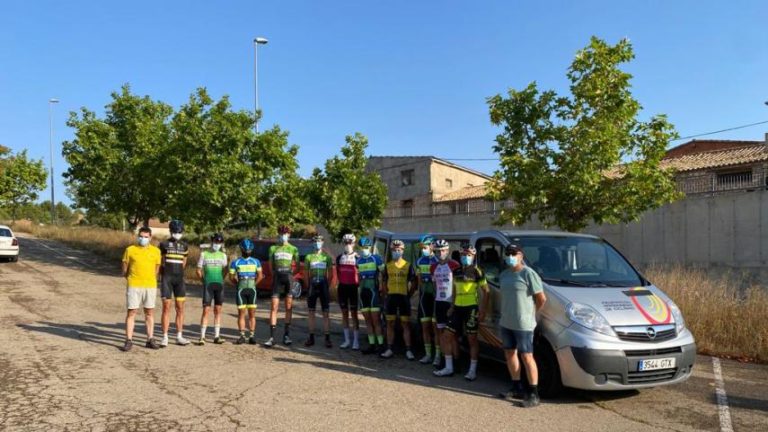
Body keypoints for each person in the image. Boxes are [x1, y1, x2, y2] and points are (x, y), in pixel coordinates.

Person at [498, 244, 547, 408]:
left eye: (513, 253)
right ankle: (516, 386)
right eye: (507, 253)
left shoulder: (528, 274)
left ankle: (534, 393)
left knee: (527, 356)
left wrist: (531, 315)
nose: (510, 256)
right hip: (506, 322)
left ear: (521, 255)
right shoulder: (504, 275)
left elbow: (541, 299)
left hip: (524, 324)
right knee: (510, 354)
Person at [442, 243, 489, 381]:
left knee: (472, 340)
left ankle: (472, 370)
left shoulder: (477, 271)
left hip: (471, 308)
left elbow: (486, 292)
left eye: (469, 255)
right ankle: (449, 367)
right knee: (447, 336)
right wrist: (451, 306)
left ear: (473, 256)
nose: (466, 257)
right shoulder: (456, 270)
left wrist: (482, 310)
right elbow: (455, 289)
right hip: (457, 307)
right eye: (463, 255)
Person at [121, 226, 162, 351]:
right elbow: (124, 267)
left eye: (146, 237)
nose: (143, 239)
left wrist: (152, 279)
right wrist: (129, 278)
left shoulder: (156, 251)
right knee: (131, 312)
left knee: (149, 313)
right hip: (134, 285)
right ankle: (129, 340)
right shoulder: (130, 250)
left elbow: (157, 268)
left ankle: (150, 339)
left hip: (150, 285)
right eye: (141, 236)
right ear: (138, 236)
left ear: (150, 237)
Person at [381, 240, 417, 359]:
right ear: (391, 251)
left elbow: (414, 282)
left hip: (403, 297)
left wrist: (409, 295)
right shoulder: (388, 265)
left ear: (403, 251)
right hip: (391, 297)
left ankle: (408, 350)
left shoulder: (408, 265)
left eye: (399, 250)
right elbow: (384, 281)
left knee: (405, 324)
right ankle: (389, 348)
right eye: (394, 250)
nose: (397, 252)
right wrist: (386, 295)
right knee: (390, 323)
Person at [265, 224, 300, 347]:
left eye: (285, 233)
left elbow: (298, 268)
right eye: (281, 233)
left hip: (288, 279)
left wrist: (291, 275)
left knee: (288, 307)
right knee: (274, 306)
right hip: (277, 279)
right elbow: (270, 266)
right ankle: (271, 337)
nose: (283, 236)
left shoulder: (294, 249)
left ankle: (286, 335)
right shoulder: (273, 248)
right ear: (278, 234)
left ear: (289, 235)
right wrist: (275, 274)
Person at [430, 239, 460, 374]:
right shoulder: (433, 266)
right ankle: (445, 359)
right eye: (438, 251)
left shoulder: (454, 265)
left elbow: (457, 287)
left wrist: (453, 305)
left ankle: (456, 361)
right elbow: (435, 285)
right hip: (439, 302)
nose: (441, 253)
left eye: (443, 250)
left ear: (447, 251)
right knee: (441, 334)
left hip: (450, 303)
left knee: (452, 335)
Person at [159, 219, 190, 347]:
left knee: (180, 308)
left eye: (180, 231)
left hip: (179, 280)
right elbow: (160, 262)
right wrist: (162, 276)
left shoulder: (185, 245)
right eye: (175, 231)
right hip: (167, 279)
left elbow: (184, 262)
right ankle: (165, 337)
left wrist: (179, 274)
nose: (178, 233)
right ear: (171, 231)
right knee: (166, 308)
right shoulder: (163, 244)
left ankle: (179, 336)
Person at [195, 233, 228, 345]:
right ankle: (202, 337)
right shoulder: (204, 254)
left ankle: (217, 336)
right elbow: (198, 270)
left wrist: (221, 279)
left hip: (219, 285)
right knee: (206, 311)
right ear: (212, 242)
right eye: (215, 242)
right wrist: (203, 281)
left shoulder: (223, 255)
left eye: (219, 242)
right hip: (208, 285)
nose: (217, 244)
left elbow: (225, 270)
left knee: (218, 311)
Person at [229, 239, 263, 345]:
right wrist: (238, 285)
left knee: (252, 314)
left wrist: (254, 285)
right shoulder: (236, 262)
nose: (247, 251)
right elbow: (231, 277)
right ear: (242, 249)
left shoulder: (256, 261)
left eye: (249, 250)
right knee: (241, 314)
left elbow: (260, 276)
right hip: (241, 290)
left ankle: (252, 336)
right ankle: (242, 336)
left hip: (251, 290)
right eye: (245, 249)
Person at [356, 236, 385, 354]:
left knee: (376, 320)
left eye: (366, 247)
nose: (364, 249)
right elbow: (358, 277)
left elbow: (384, 274)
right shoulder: (358, 261)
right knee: (367, 320)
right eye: (362, 247)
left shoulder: (376, 258)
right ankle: (372, 344)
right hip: (363, 293)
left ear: (370, 247)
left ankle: (381, 345)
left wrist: (383, 288)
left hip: (374, 292)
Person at [304, 234, 334, 348]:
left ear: (323, 243)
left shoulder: (327, 257)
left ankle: (327, 338)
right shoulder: (308, 257)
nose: (317, 243)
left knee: (326, 313)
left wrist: (327, 286)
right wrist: (308, 286)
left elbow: (330, 275)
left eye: (320, 241)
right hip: (312, 285)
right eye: (316, 241)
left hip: (323, 285)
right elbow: (306, 274)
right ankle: (311, 337)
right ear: (313, 243)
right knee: (311, 312)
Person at [414, 235, 438, 364]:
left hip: (435, 297)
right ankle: (428, 354)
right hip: (424, 297)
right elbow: (418, 282)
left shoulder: (437, 260)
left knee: (435, 328)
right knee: (425, 327)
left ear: (432, 246)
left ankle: (438, 355)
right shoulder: (419, 261)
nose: (423, 249)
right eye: (422, 247)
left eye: (425, 247)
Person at [336, 233, 361, 349]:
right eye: (346, 242)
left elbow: (360, 274)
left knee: (354, 314)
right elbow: (338, 272)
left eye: (350, 242)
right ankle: (347, 340)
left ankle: (356, 341)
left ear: (354, 243)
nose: (348, 245)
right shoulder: (339, 257)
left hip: (353, 288)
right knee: (344, 313)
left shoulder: (358, 257)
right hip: (342, 288)